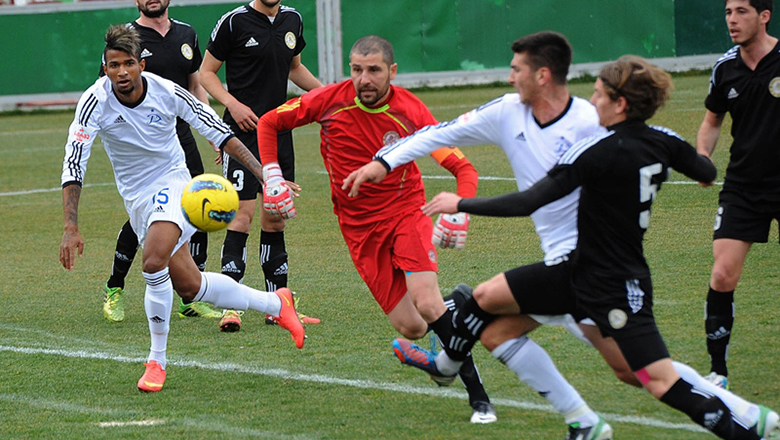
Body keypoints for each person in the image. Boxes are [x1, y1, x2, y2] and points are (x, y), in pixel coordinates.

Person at [421, 55, 780, 440]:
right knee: (486, 302)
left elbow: (527, 202)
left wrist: (460, 203)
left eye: (598, 95)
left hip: (607, 283)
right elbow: (707, 172)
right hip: (579, 274)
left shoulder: (595, 151)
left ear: (620, 103)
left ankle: (742, 428)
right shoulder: (664, 140)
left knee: (654, 380)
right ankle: (455, 366)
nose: (591, 103)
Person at [344, 31, 619, 440]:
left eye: (516, 69)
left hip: (591, 264)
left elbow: (501, 187)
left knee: (631, 365)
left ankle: (461, 378)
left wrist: (462, 208)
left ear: (542, 75)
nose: (509, 77)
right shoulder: (509, 111)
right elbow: (438, 136)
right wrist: (382, 163)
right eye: (356, 70)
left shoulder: (589, 122)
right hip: (561, 264)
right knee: (473, 326)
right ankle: (583, 421)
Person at [255, 35, 496, 423]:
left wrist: (461, 209)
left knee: (427, 303)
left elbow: (463, 168)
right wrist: (272, 174)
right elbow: (269, 122)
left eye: (374, 70)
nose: (363, 79)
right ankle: (459, 302)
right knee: (413, 326)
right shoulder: (328, 99)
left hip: (406, 213)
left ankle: (478, 396)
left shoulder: (411, 111)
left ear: (392, 72)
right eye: (356, 69)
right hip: (357, 230)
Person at [60, 25, 305, 393]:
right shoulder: (95, 101)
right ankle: (275, 302)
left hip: (174, 182)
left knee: (153, 261)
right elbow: (74, 160)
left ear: (141, 64)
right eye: (114, 65)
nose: (122, 72)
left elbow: (219, 131)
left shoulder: (165, 90)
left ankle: (157, 360)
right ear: (105, 68)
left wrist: (266, 175)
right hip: (137, 197)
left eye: (129, 63)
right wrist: (70, 226)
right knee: (191, 286)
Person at [200, 0, 322, 332]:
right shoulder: (234, 22)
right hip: (241, 134)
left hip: (278, 133)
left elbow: (295, 67)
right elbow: (205, 72)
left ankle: (278, 305)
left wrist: (326, 95)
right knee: (241, 215)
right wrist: (232, 103)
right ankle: (229, 305)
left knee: (275, 217)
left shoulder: (293, 20)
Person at [100, 0, 222, 323]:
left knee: (199, 204)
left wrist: (213, 133)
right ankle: (115, 286)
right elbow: (107, 90)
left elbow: (195, 86)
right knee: (147, 217)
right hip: (145, 144)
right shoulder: (127, 39)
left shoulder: (187, 34)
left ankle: (190, 295)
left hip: (181, 137)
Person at [696, 0, 780, 390]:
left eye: (742, 10)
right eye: (728, 11)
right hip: (744, 187)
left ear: (764, 15)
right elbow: (712, 121)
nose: (732, 19)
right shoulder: (724, 68)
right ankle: (718, 370)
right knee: (722, 273)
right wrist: (701, 159)